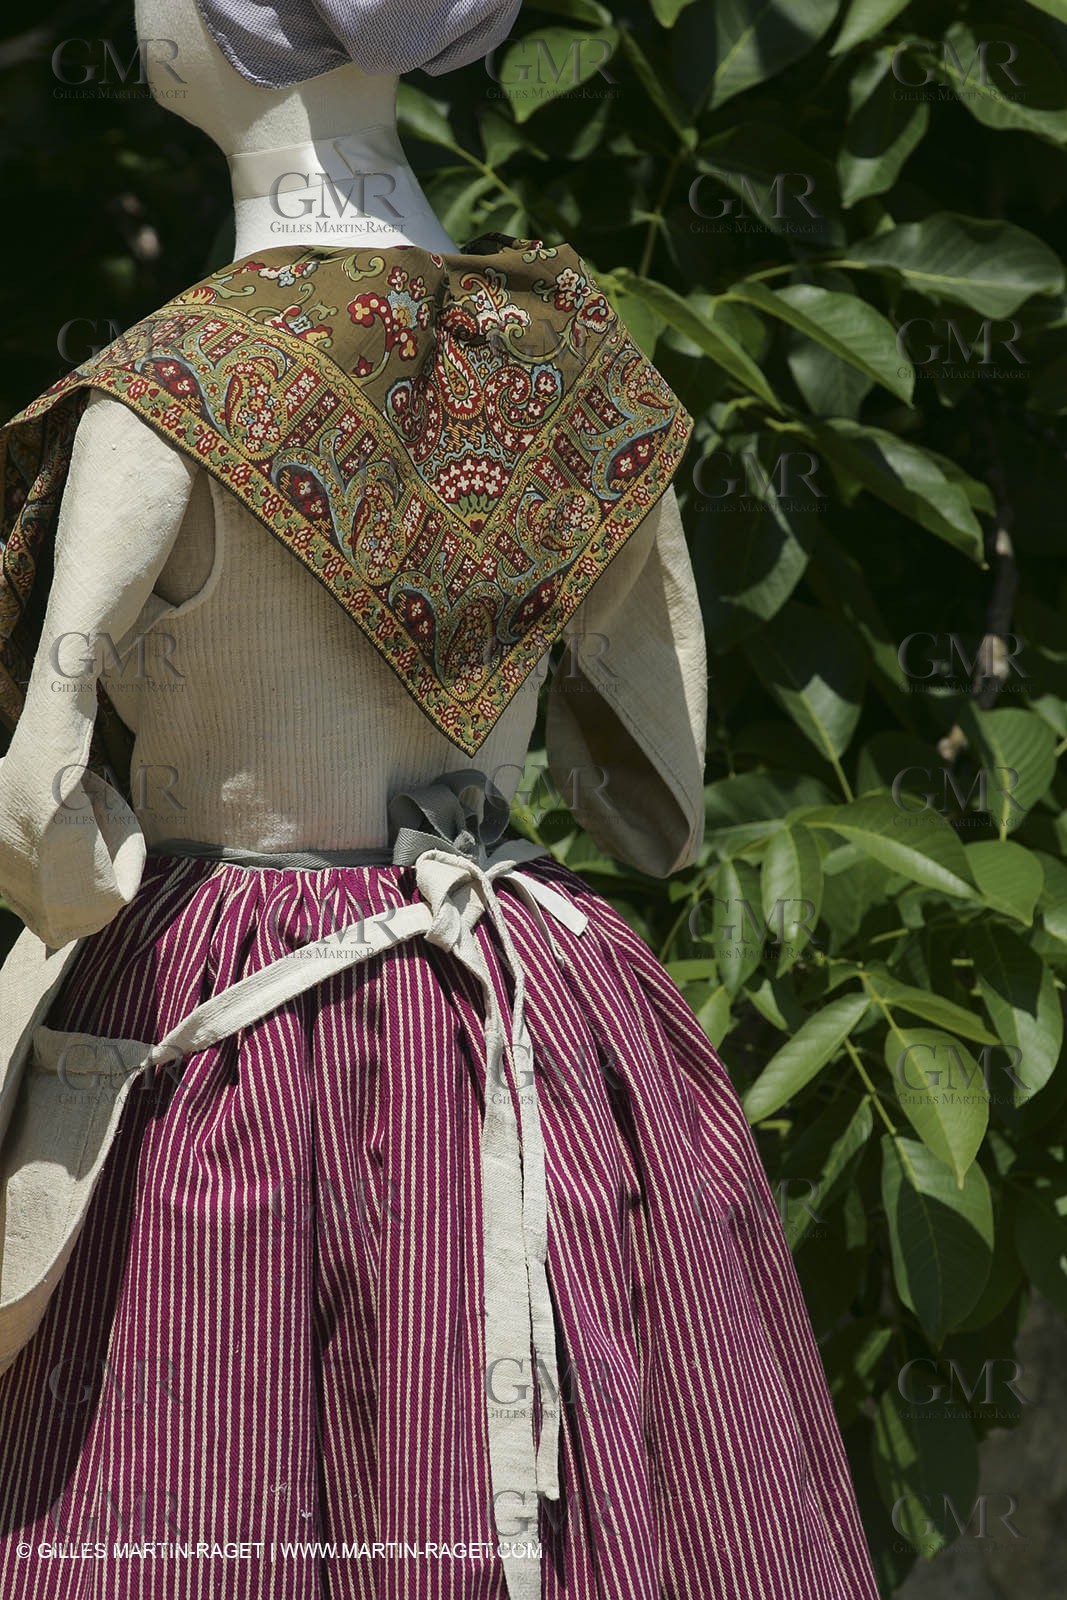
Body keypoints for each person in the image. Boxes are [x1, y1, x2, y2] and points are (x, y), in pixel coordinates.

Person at [0, 3, 880, 1596]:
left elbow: (38, 793)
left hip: (235, 1021)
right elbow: (655, 801)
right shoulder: (579, 369)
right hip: (530, 1001)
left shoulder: (165, 397)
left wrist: (82, 923)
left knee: (191, 1464)